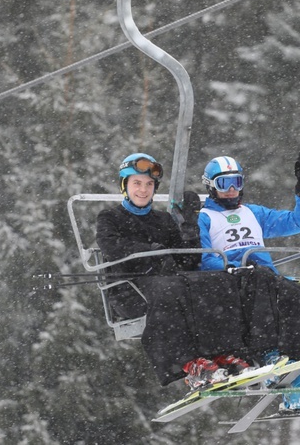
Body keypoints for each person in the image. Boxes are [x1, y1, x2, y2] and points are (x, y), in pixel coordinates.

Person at [96, 153, 252, 388]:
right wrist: (151, 252)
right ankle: (187, 362)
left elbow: (188, 260)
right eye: (136, 183)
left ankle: (223, 353)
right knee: (171, 288)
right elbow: (112, 246)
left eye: (149, 184)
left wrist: (189, 226)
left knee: (215, 281)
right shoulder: (110, 217)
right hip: (128, 289)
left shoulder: (163, 220)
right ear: (125, 186)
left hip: (166, 284)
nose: (143, 190)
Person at [197, 151, 300, 411]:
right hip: (234, 282)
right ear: (210, 186)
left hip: (266, 279)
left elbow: (299, 221)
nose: (230, 190)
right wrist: (233, 267)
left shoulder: (253, 213)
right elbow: (205, 259)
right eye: (223, 184)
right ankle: (267, 356)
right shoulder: (205, 217)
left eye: (236, 183)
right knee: (261, 280)